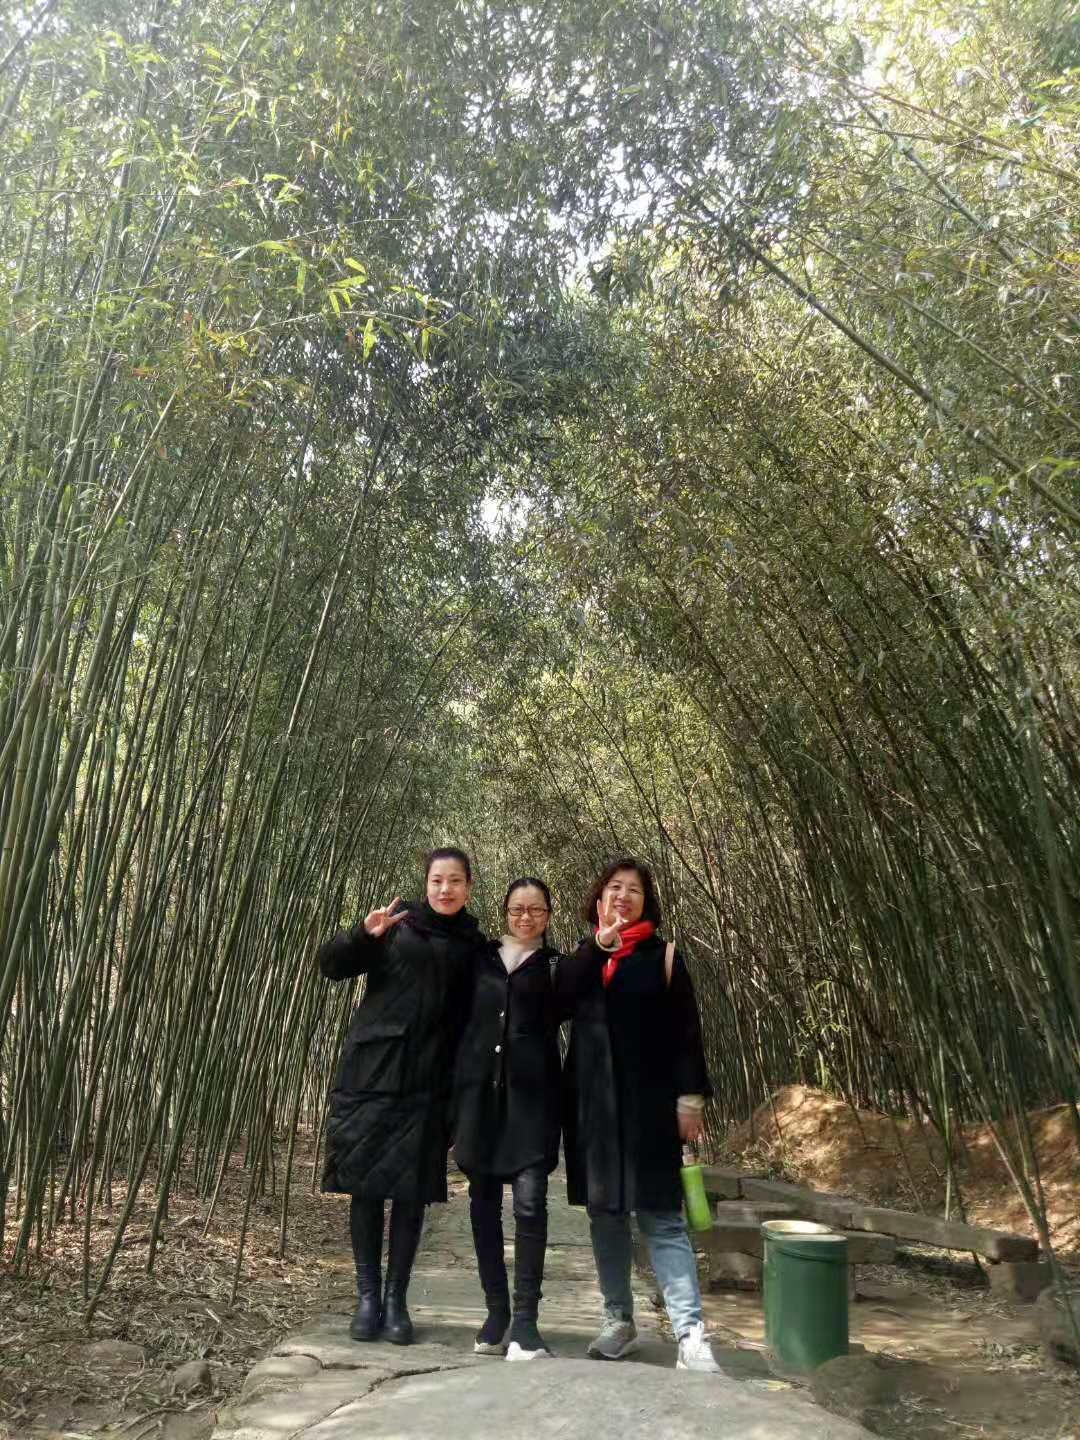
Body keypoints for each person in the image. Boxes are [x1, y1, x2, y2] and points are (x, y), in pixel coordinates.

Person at [558, 857, 721, 1373]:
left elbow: (686, 1033)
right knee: (605, 1216)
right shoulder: (583, 956)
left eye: (634, 889)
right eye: (614, 887)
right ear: (598, 898)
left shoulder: (663, 956)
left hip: (650, 1107)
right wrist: (598, 946)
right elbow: (557, 1001)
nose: (623, 896)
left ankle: (690, 1334)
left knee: (662, 1218)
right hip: (594, 1110)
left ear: (646, 902)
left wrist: (689, 1099)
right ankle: (618, 1322)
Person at [319, 847, 484, 1346]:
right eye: (437, 880)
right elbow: (331, 966)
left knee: (411, 1195)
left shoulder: (474, 946)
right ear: (426, 883)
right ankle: (367, 1298)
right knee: (366, 1189)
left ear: (468, 887)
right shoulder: (396, 926)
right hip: (371, 1075)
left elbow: (473, 1024)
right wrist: (361, 934)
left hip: (428, 1084)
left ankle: (396, 1300)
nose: (445, 889)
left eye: (455, 881)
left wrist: (461, 1095)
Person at [452, 876, 564, 1362]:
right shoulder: (478, 957)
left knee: (530, 1205)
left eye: (536, 909)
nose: (525, 917)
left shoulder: (557, 967)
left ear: (548, 916)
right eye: (517, 908)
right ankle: (496, 1312)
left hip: (533, 1105)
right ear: (504, 912)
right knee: (483, 1206)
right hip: (479, 1101)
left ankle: (526, 1321)